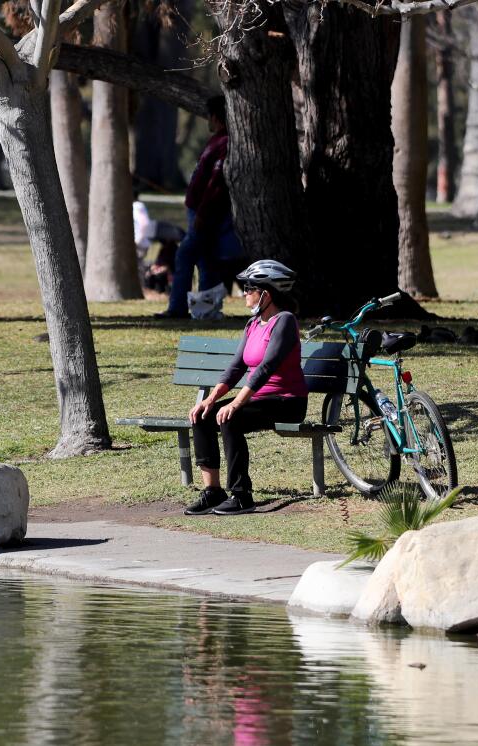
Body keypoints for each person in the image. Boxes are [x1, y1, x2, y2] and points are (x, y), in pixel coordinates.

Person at [184, 260, 306, 516]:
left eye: (249, 288)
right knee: (203, 415)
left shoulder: (284, 321)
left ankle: (241, 495)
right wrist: (211, 399)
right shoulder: (252, 325)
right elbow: (236, 366)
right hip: (259, 401)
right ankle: (213, 491)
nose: (244, 293)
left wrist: (236, 403)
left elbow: (266, 368)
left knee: (231, 418)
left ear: (266, 294)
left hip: (287, 401)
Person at [156, 96, 244, 319]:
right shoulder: (216, 140)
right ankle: (205, 309)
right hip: (197, 211)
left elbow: (216, 183)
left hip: (205, 214)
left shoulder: (224, 142)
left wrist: (203, 214)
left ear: (216, 117)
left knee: (185, 255)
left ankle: (177, 308)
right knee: (206, 260)